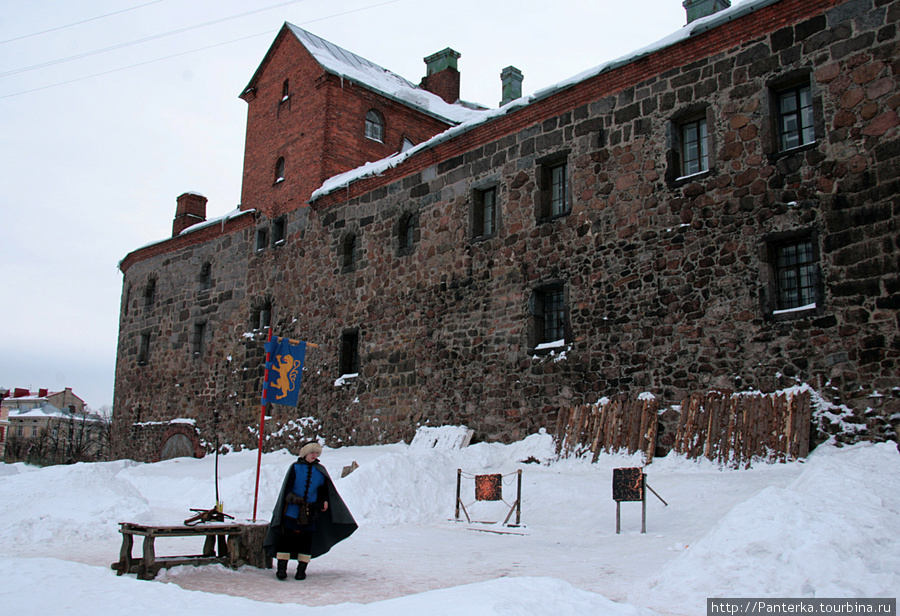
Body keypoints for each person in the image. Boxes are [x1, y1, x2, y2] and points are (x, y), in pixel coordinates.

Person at [263, 441, 357, 580]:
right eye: (312, 452)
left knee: (306, 542)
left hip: (310, 512)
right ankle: (282, 569)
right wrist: (294, 499)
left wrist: (323, 501)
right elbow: (287, 490)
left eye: (316, 453)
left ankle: (301, 570)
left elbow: (325, 490)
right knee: (286, 540)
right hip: (293, 511)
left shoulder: (320, 470)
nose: (314, 455)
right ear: (305, 453)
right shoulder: (295, 468)